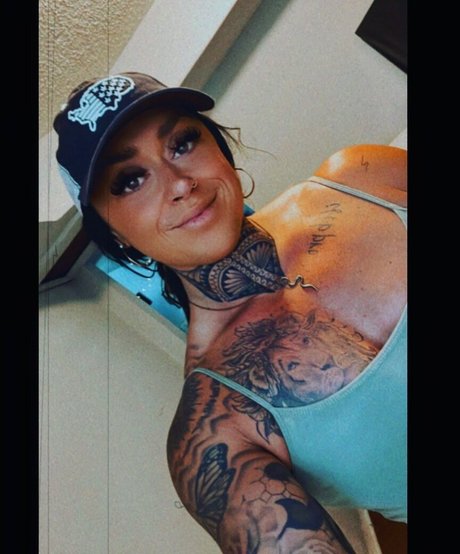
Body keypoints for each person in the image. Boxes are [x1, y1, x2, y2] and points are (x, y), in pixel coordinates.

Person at [53, 72, 407, 553]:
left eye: (182, 143)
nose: (180, 183)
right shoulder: (214, 429)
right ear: (112, 232)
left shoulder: (360, 177)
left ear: (218, 145)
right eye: (130, 180)